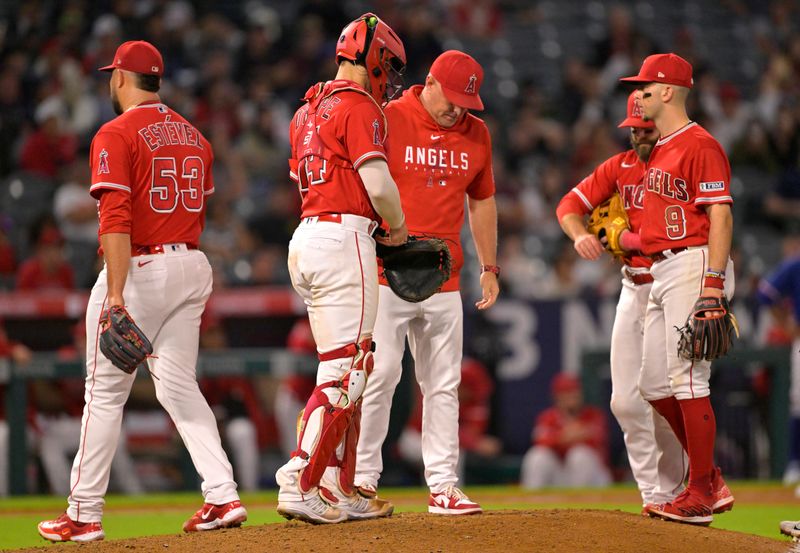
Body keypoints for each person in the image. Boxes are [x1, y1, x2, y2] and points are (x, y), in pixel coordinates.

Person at [38, 41, 246, 543]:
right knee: (178, 385)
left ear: (121, 79)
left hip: (141, 268)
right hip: (193, 263)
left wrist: (115, 295)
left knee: (103, 393)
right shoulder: (195, 136)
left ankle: (84, 512)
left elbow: (115, 219)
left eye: (113, 75)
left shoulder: (114, 132)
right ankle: (222, 493)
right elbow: (198, 211)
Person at [274, 13, 408, 525]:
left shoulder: (305, 111)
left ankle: (336, 484)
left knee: (354, 363)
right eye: (389, 65)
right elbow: (376, 183)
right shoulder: (359, 107)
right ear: (374, 58)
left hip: (308, 235)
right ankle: (301, 477)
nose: (390, 76)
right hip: (344, 237)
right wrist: (396, 227)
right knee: (346, 369)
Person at [354, 49, 499, 515]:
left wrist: (489, 266)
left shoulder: (477, 134)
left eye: (466, 102)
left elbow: (482, 202)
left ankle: (443, 485)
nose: (458, 109)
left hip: (445, 277)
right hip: (386, 271)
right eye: (452, 97)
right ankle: (362, 481)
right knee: (380, 378)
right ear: (430, 82)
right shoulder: (389, 117)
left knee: (443, 383)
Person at [555, 92, 686, 509]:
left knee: (663, 396)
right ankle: (653, 494)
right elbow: (569, 206)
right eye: (633, 129)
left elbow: (663, 236)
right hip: (634, 286)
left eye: (645, 128)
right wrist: (580, 235)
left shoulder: (680, 163)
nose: (638, 136)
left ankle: (679, 489)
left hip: (672, 285)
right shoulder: (619, 167)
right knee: (625, 402)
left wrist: (623, 237)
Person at [620, 53, 735, 525]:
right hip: (659, 271)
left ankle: (702, 492)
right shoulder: (662, 146)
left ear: (667, 91)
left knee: (689, 378)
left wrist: (713, 283)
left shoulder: (699, 143)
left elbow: (722, 215)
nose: (639, 95)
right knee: (651, 385)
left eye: (645, 88)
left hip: (692, 263)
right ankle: (710, 479)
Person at [396, 357, 501, 484]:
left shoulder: (475, 402)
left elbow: (472, 431)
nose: (472, 392)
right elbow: (439, 431)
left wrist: (474, 441)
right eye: (469, 387)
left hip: (442, 442)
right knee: (443, 453)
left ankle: (448, 493)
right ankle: (442, 494)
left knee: (450, 451)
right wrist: (475, 443)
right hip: (415, 439)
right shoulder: (437, 395)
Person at [756, 235, 800, 491]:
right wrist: (786, 324)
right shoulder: (795, 265)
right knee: (798, 403)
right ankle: (795, 463)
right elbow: (765, 293)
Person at [520, 373, 611, 489]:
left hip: (594, 478)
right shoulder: (548, 417)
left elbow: (596, 439)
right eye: (565, 393)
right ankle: (531, 502)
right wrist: (567, 437)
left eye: (574, 392)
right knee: (538, 456)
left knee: (580, 455)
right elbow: (540, 441)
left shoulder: (594, 415)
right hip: (561, 474)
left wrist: (560, 437)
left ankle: (581, 504)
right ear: (556, 396)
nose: (571, 396)